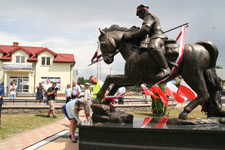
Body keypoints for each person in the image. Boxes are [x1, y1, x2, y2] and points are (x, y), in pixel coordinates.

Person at [122, 4, 170, 81]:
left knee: (153, 47)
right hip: (152, 36)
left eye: (139, 14)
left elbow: (145, 30)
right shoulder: (147, 16)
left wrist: (131, 35)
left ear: (143, 11)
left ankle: (165, 68)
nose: (139, 17)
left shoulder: (148, 15)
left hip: (158, 36)